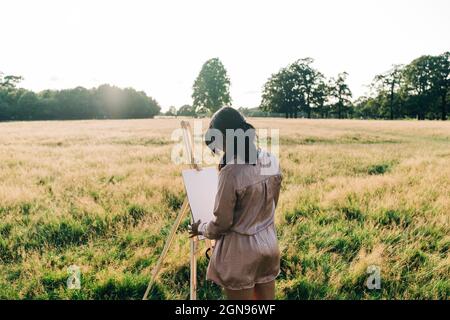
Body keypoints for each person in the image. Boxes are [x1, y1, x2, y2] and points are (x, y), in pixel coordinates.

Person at [188, 107, 282, 300]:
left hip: (240, 254)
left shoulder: (231, 173)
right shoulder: (270, 159)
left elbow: (222, 224)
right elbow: (274, 204)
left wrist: (201, 228)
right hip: (269, 245)